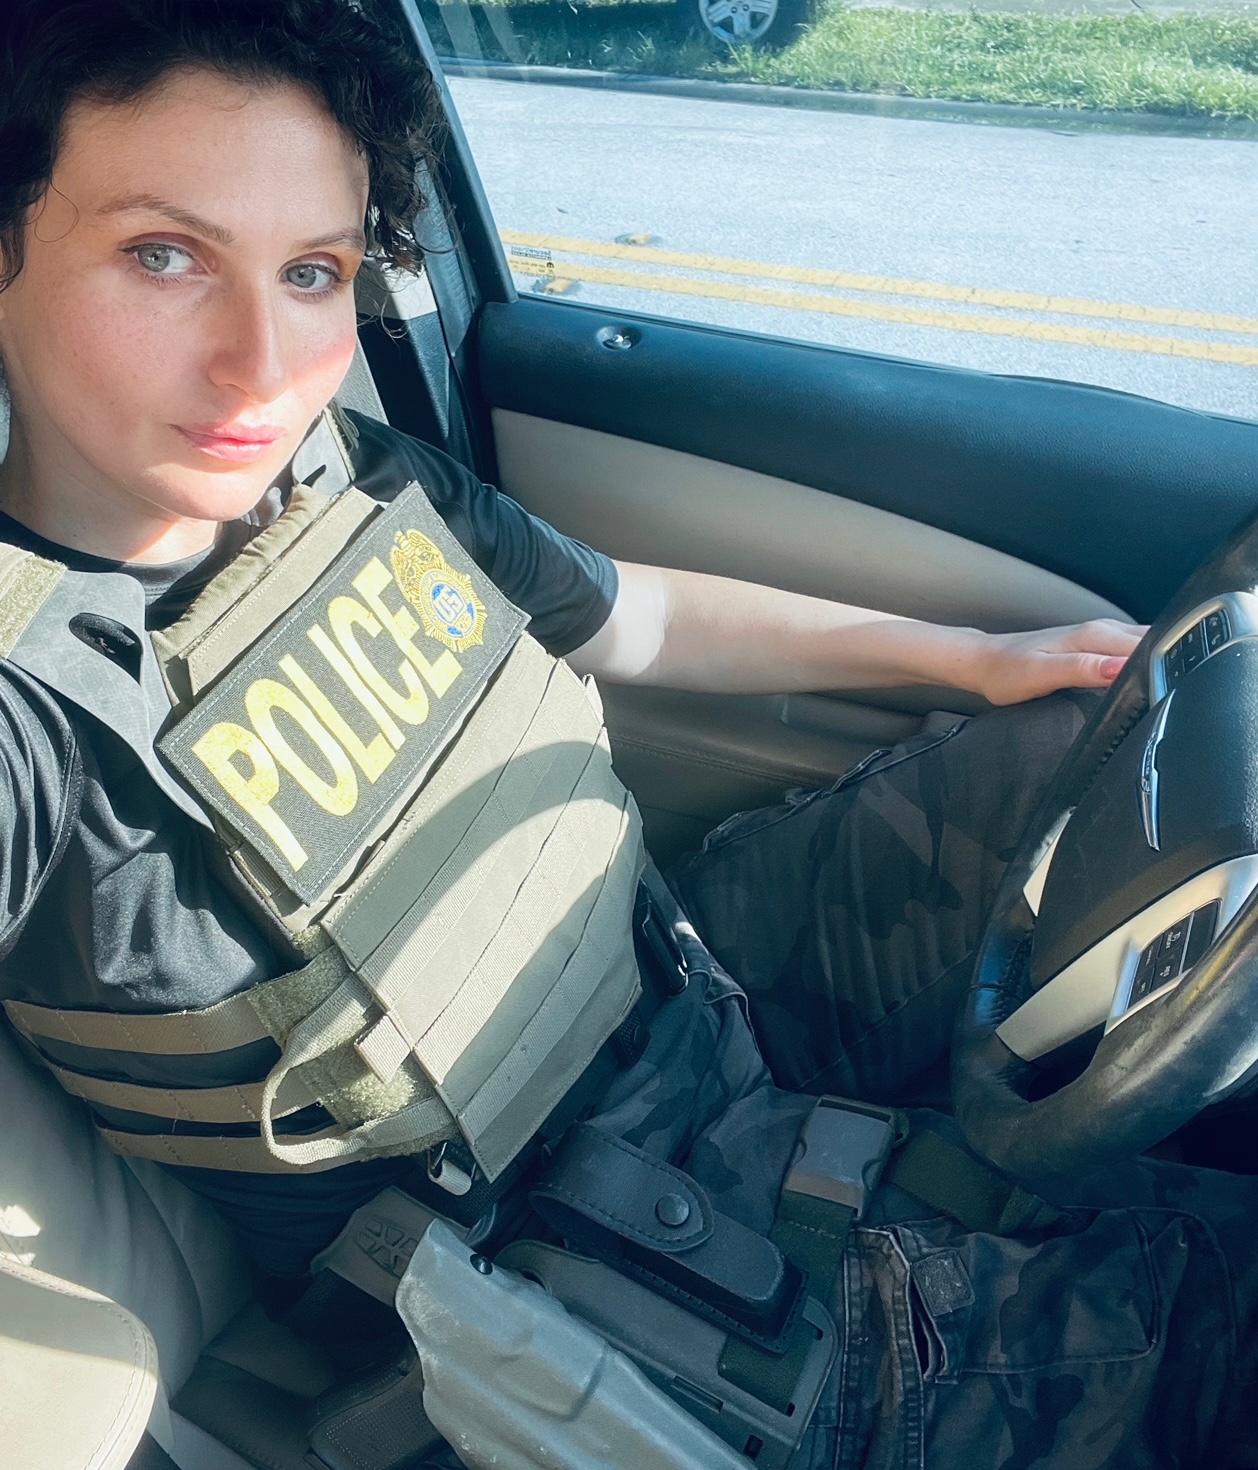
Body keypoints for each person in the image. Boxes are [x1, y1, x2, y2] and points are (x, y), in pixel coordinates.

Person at [0, 2, 1255, 1466]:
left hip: (676, 980)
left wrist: (973, 657)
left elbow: (632, 615)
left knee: (1096, 749)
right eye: (163, 255)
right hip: (574, 1270)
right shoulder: (32, 713)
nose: (261, 366)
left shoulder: (346, 477)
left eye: (312, 272)